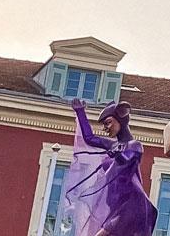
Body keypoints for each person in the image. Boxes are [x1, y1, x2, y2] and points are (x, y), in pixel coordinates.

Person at [62, 98, 156, 236]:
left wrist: (117, 154)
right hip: (115, 206)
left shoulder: (135, 146)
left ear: (121, 119)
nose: (105, 128)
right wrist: (81, 112)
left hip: (131, 205)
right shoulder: (113, 146)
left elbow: (126, 160)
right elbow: (90, 138)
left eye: (108, 123)